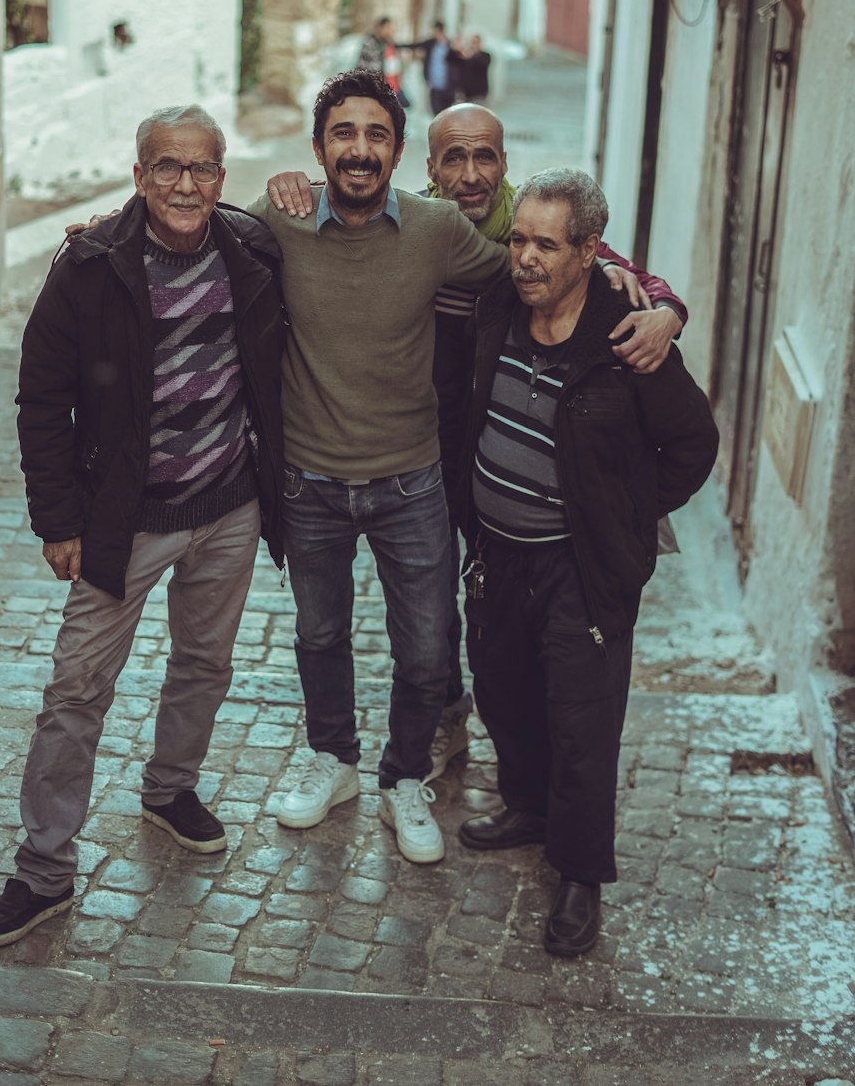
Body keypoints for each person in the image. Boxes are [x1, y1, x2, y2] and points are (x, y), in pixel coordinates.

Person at [266, 102, 688, 783]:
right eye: (452, 160)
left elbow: (609, 267)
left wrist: (666, 307)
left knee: (463, 611)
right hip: (425, 443)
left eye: (484, 157)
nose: (469, 175)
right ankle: (445, 719)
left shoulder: (529, 230)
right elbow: (238, 230)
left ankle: (519, 757)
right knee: (425, 610)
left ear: (504, 164)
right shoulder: (419, 222)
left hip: (499, 445)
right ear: (427, 169)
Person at [0, 105, 285, 949]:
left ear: (223, 175)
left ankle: (170, 787)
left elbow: (347, 230)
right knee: (76, 689)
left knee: (205, 662)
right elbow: (43, 399)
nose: (187, 185)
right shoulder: (89, 266)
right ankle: (44, 870)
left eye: (203, 168)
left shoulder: (252, 249)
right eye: (168, 168)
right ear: (139, 174)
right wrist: (57, 518)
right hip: (123, 520)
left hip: (228, 506)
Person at [456, 168, 718, 957]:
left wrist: (625, 523)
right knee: (502, 691)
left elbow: (694, 446)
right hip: (496, 557)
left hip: (578, 569)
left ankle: (578, 874)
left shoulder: (627, 337)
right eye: (519, 240)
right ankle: (527, 807)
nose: (525, 258)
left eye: (546, 244)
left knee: (582, 721)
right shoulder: (498, 308)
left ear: (589, 253)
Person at [249, 71, 509, 865]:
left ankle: (403, 777)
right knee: (319, 633)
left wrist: (640, 289)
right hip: (310, 481)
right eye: (343, 133)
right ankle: (335, 761)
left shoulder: (435, 229)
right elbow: (184, 228)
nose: (359, 150)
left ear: (398, 152)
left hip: (411, 481)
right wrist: (96, 230)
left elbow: (531, 268)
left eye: (376, 135)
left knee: (428, 648)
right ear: (319, 145)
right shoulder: (278, 220)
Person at [357, 16, 409, 108]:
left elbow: (395, 65)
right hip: (373, 89)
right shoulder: (370, 43)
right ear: (380, 28)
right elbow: (371, 68)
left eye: (391, 29)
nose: (390, 31)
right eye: (387, 28)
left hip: (392, 86)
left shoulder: (388, 44)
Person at [407, 20, 453, 116]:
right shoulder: (431, 43)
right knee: (436, 113)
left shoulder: (450, 45)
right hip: (434, 85)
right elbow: (414, 45)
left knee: (446, 113)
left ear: (439, 30)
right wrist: (395, 45)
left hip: (447, 87)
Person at [449, 34, 492, 102]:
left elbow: (482, 62)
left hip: (479, 93)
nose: (474, 45)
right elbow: (450, 59)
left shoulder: (485, 56)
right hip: (465, 94)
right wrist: (456, 47)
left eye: (476, 42)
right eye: (472, 42)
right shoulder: (464, 56)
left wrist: (471, 55)